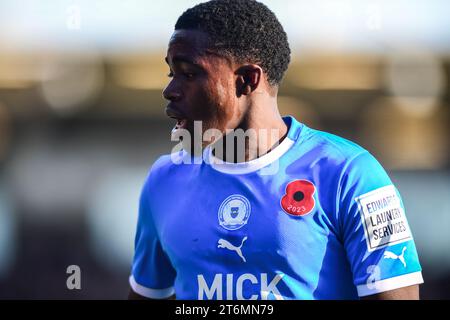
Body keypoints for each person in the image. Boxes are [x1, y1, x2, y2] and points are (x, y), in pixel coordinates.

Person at [129, 0, 423, 300]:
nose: (170, 90)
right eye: (171, 74)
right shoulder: (164, 180)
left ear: (246, 80)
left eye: (188, 74)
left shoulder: (351, 174)